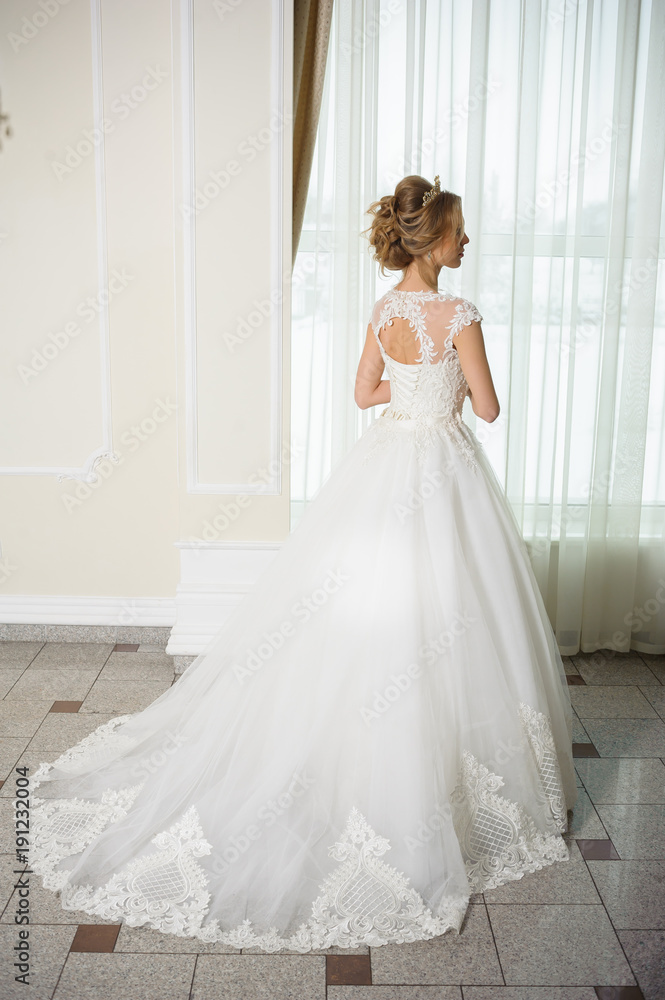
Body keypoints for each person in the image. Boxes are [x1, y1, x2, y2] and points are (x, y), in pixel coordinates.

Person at [27, 174, 578, 954]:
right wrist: (446, 386)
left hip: (383, 460)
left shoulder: (385, 311)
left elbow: (363, 394)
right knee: (450, 609)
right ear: (435, 241)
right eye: (460, 232)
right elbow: (487, 409)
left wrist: (412, 386)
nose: (467, 243)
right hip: (442, 468)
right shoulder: (458, 314)